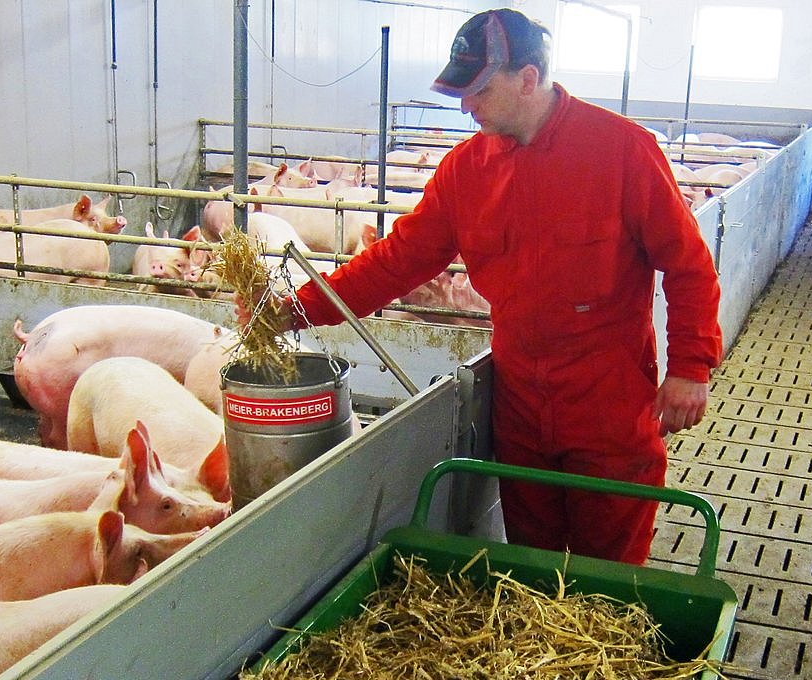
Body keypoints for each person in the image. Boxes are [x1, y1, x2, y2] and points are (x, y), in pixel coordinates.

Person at [256, 7, 722, 565]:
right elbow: (395, 262)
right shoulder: (465, 172)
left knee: (610, 568)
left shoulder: (622, 151)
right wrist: (296, 309)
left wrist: (691, 368)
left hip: (608, 402)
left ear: (528, 78)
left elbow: (690, 263)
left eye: (477, 89)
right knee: (531, 561)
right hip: (521, 401)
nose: (465, 105)